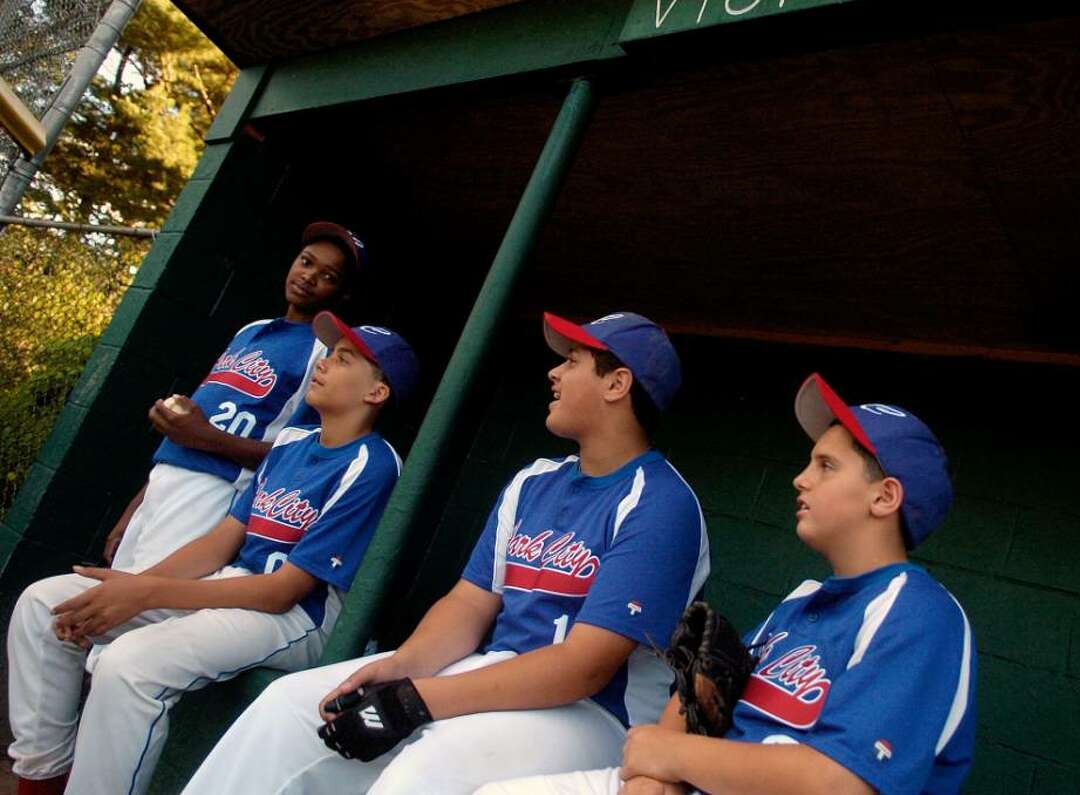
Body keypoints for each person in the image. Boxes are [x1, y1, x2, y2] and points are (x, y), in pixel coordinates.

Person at [181, 311, 711, 795]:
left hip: (593, 714)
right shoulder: (533, 481)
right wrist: (401, 667)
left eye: (572, 362)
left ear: (617, 384)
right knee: (286, 709)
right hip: (491, 671)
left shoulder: (662, 503)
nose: (553, 374)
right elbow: (469, 602)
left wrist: (418, 700)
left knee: (424, 768)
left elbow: (583, 668)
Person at [482, 372, 977, 795]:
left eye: (826, 466)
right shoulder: (800, 604)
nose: (800, 480)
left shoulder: (920, 613)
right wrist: (656, 773)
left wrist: (670, 755)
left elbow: (838, 781)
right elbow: (697, 702)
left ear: (885, 497)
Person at [6, 313, 418, 795]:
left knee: (130, 666)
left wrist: (147, 594)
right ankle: (44, 779)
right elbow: (221, 539)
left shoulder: (373, 465)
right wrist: (131, 586)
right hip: (229, 585)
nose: (325, 363)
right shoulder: (290, 443)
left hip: (296, 619)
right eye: (329, 353)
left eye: (344, 359)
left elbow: (284, 591)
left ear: (376, 393)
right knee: (44, 604)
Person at [104, 220, 367, 571]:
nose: (309, 276)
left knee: (140, 603)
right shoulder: (250, 330)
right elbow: (187, 434)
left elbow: (299, 455)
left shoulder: (324, 353)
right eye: (306, 261)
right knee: (112, 595)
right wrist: (136, 504)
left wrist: (206, 438)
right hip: (166, 476)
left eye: (329, 276)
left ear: (343, 293)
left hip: (217, 488)